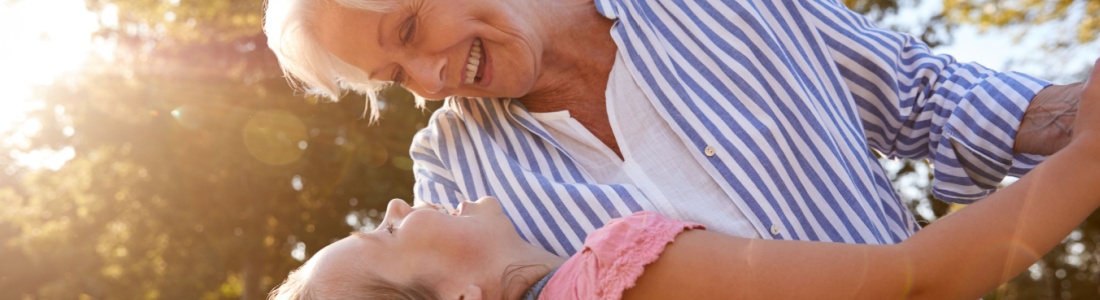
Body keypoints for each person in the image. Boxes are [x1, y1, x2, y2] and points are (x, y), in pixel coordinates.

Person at [263, 0, 1088, 257]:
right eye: (395, 76)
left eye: (409, 31)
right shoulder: (449, 178)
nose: (432, 77)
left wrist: (1082, 116)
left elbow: (926, 97)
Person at [268, 67, 1099, 299]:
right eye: (385, 234)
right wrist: (1086, 157)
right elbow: (913, 281)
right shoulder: (619, 269)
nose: (399, 202)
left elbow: (914, 87)